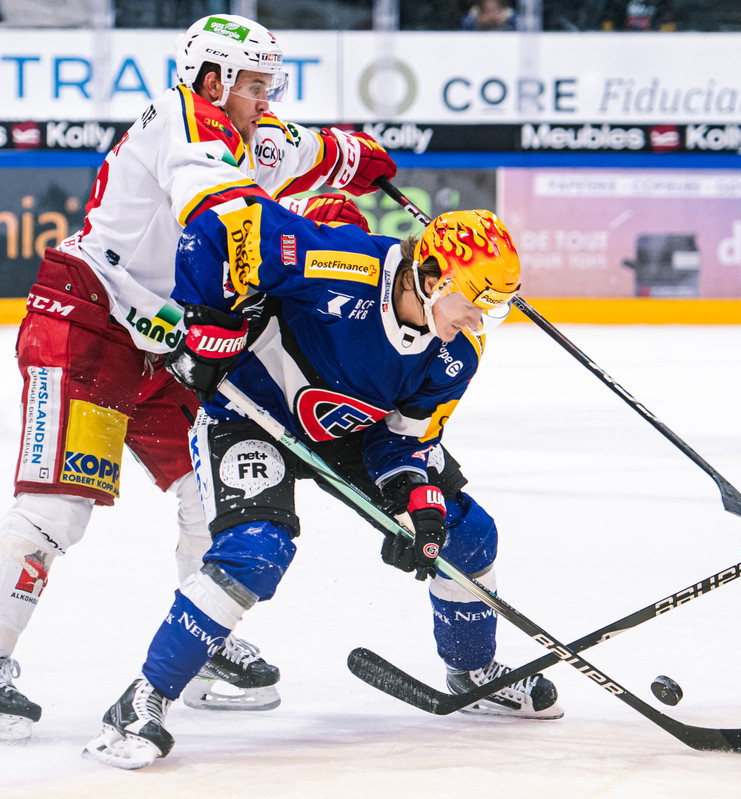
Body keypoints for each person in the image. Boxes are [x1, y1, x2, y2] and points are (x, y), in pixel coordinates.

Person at [0, 13, 397, 743]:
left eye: (271, 85)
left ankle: (201, 643)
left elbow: (309, 150)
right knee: (59, 505)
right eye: (254, 85)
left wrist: (358, 158)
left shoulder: (248, 127)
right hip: (88, 323)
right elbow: (228, 218)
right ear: (212, 79)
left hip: (163, 341)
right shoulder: (184, 119)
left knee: (205, 495)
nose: (267, 98)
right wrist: (321, 245)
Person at [81, 201, 563, 769]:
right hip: (250, 414)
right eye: (475, 304)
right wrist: (208, 324)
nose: (479, 322)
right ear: (434, 279)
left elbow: (405, 442)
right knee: (255, 552)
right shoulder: (343, 262)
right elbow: (215, 230)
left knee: (467, 533)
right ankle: (144, 698)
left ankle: (473, 671)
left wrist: (417, 503)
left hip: (353, 433)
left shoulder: (457, 351)